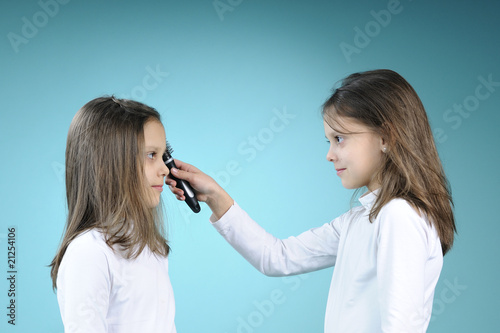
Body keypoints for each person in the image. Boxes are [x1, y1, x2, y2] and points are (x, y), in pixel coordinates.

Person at [167, 69, 456, 332]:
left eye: (340, 138)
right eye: (328, 141)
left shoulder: (398, 216)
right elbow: (276, 257)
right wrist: (215, 196)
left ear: (386, 137)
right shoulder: (359, 220)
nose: (330, 154)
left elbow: (400, 326)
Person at [50, 97, 176, 333]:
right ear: (108, 165)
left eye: (163, 155)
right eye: (151, 155)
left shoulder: (151, 249)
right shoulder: (89, 252)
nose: (165, 169)